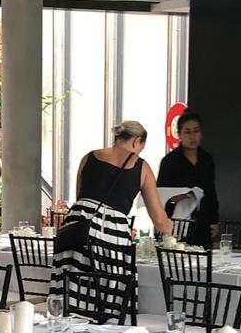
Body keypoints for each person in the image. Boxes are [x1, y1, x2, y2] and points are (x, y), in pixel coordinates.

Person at [51, 120, 173, 296]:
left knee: (72, 289)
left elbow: (80, 197)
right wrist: (171, 228)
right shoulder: (142, 167)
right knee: (106, 291)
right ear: (136, 141)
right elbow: (159, 220)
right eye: (141, 147)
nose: (140, 152)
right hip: (111, 232)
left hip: (78, 226)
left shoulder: (89, 157)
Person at [156, 110, 218, 247]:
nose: (192, 137)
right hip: (178, 220)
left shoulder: (207, 159)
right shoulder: (169, 161)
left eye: (196, 131)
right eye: (187, 132)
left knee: (202, 260)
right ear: (179, 134)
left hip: (202, 220)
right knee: (177, 261)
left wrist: (214, 220)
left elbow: (211, 191)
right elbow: (160, 193)